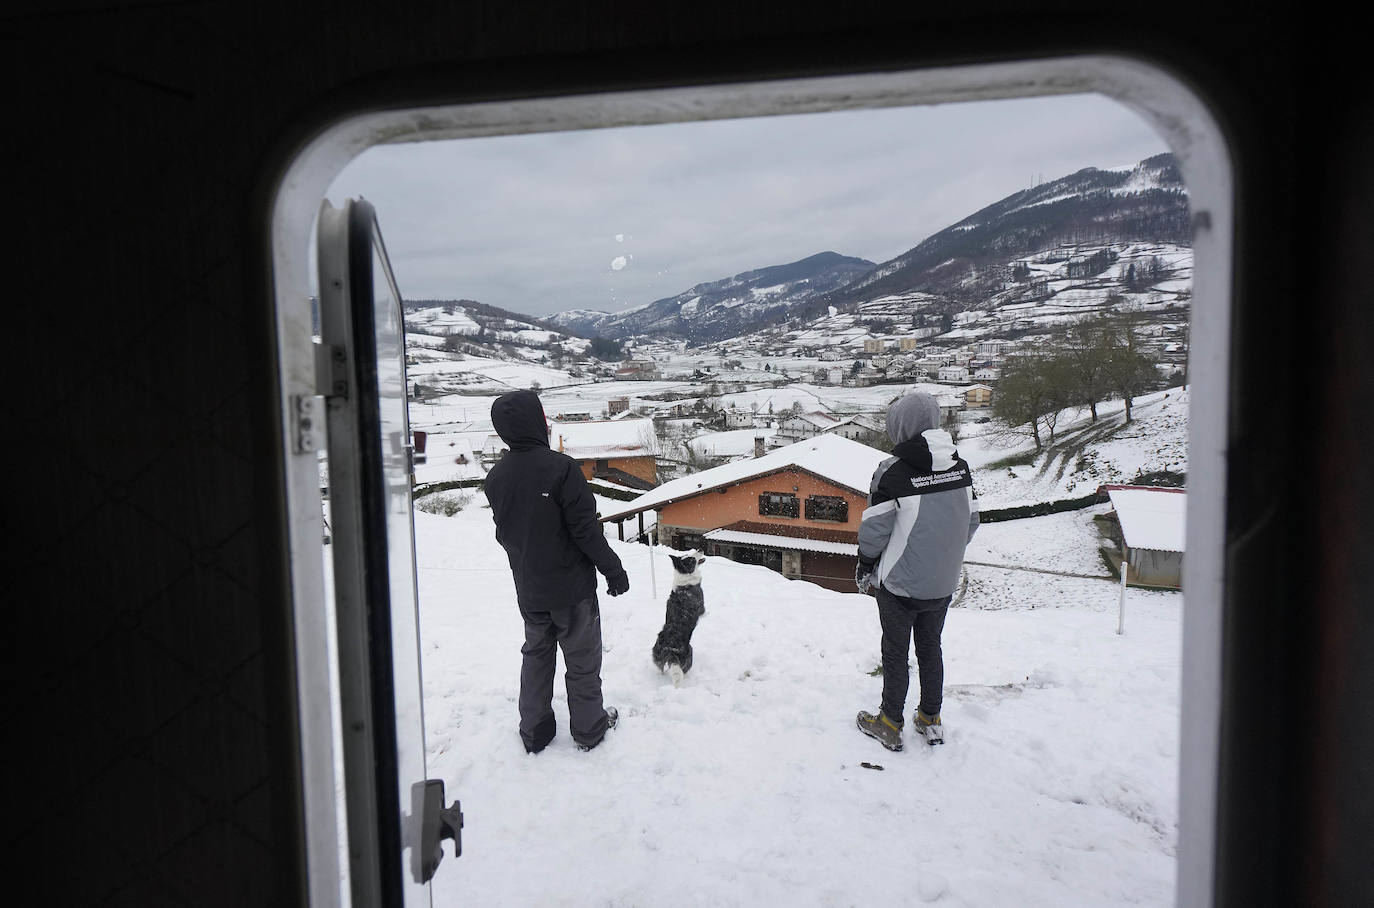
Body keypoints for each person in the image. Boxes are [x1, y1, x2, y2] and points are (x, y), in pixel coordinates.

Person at [483, 390, 630, 753]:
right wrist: (613, 570)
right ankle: (589, 729)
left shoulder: (496, 477)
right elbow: (585, 531)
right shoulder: (561, 469)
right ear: (537, 422)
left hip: (530, 590)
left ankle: (535, 732)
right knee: (581, 661)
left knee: (536, 657)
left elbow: (506, 534)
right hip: (572, 591)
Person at [855, 391, 979, 750]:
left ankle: (890, 723)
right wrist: (942, 557)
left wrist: (865, 564)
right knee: (930, 648)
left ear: (900, 426)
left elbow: (875, 530)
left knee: (895, 652)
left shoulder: (892, 472)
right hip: (942, 582)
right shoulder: (960, 467)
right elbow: (971, 522)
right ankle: (930, 718)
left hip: (899, 583)